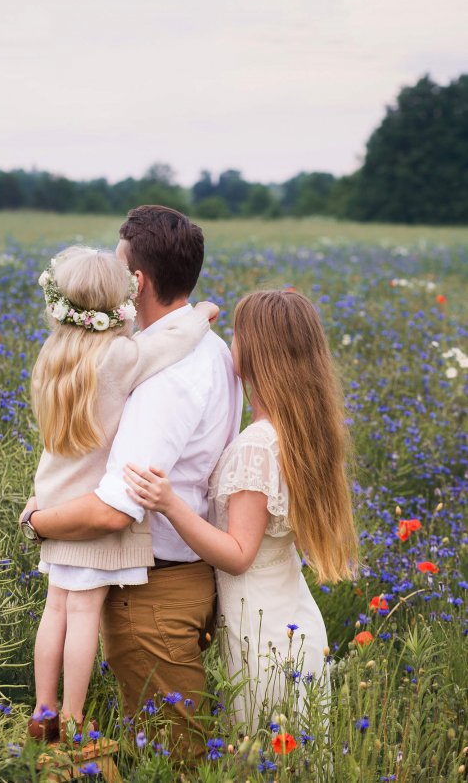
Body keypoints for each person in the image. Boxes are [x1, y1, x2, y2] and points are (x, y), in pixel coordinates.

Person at [20, 206, 242, 757]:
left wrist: (38, 521)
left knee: (174, 757)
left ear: (137, 281)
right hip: (170, 572)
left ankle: (51, 711)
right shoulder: (201, 351)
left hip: (151, 588)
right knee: (166, 749)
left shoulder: (75, 358)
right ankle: (66, 715)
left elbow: (116, 510)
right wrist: (204, 314)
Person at [124, 289, 359, 732]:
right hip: (292, 625)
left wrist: (169, 503)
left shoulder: (257, 445)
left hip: (266, 641)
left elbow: (238, 553)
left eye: (237, 335)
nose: (229, 343)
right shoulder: (298, 432)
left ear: (254, 352)